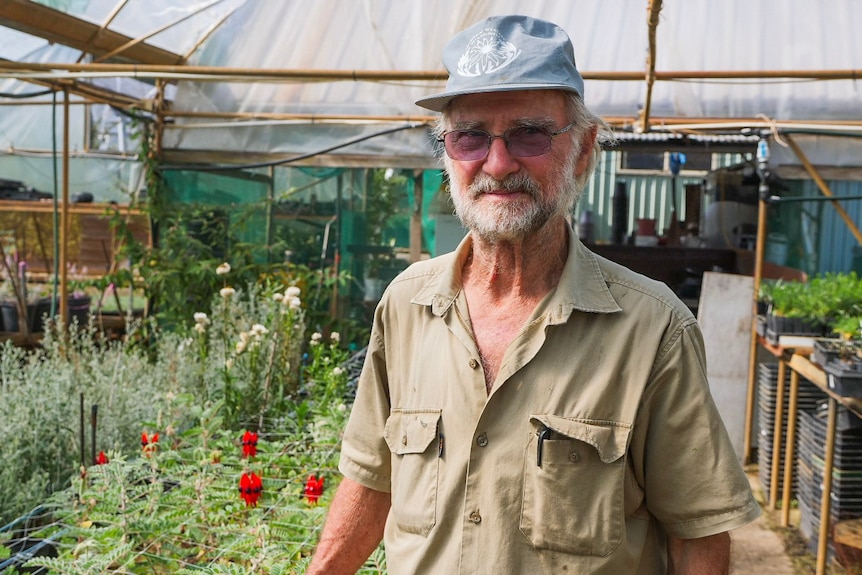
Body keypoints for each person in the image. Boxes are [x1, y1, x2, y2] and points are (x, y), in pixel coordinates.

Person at [307, 14, 761, 575]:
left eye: (530, 134)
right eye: (471, 136)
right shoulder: (407, 305)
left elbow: (699, 538)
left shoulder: (653, 330)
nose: (497, 165)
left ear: (585, 150)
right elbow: (371, 482)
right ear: (447, 153)